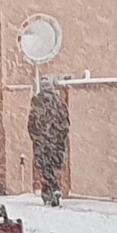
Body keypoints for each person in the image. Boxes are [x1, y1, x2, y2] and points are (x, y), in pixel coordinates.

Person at [27, 77, 69, 207]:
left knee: (45, 168)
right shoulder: (60, 104)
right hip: (56, 143)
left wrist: (37, 138)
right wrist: (59, 138)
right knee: (54, 167)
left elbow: (32, 125)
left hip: (42, 143)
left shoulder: (38, 104)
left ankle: (51, 189)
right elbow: (65, 124)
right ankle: (54, 189)